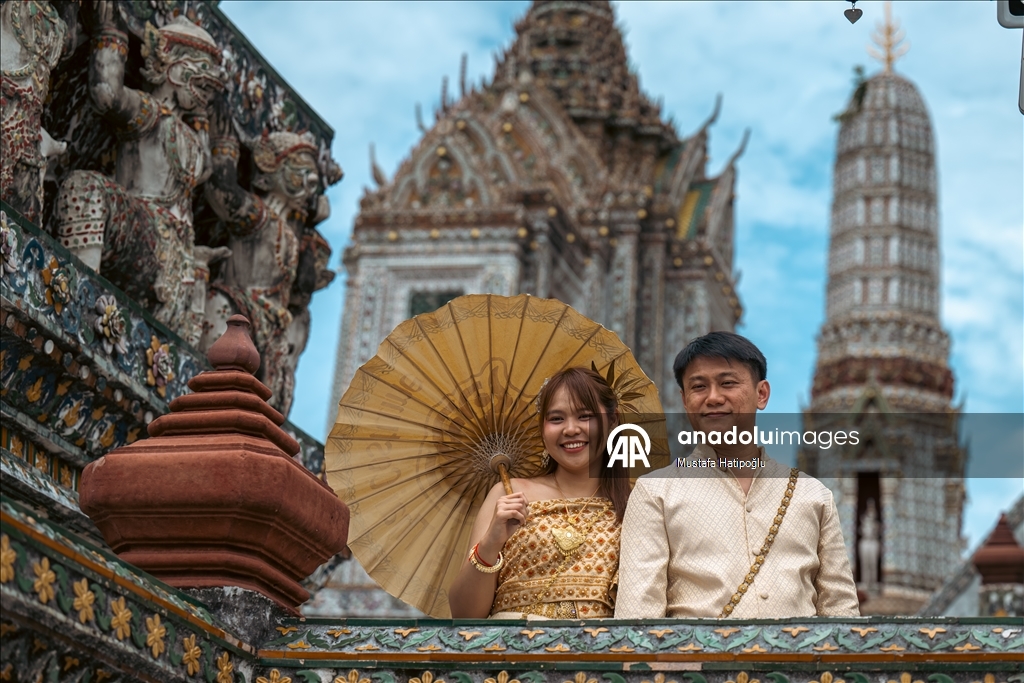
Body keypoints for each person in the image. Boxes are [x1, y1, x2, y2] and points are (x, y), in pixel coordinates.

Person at [615, 332, 859, 618]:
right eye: (698, 387)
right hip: (693, 661)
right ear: (684, 399)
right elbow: (637, 617)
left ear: (761, 394)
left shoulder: (812, 494)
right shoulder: (655, 492)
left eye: (728, 383)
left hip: (797, 661)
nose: (714, 397)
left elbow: (841, 613)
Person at [448, 367, 629, 619]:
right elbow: (464, 615)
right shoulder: (507, 494)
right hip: (512, 651)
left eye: (585, 416)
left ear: (612, 421)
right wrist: (491, 542)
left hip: (595, 652)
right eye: (556, 419)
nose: (570, 429)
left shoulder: (634, 504)